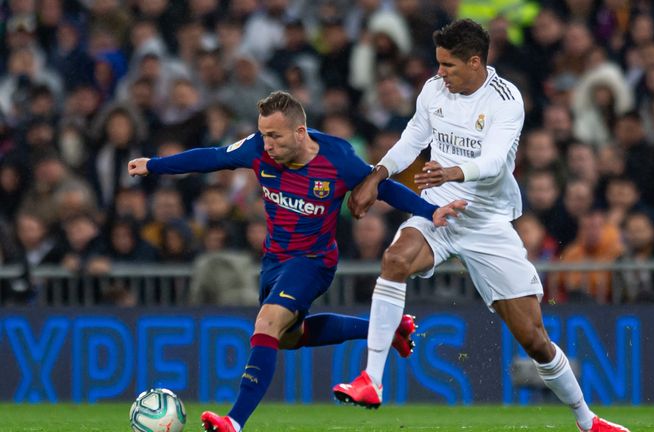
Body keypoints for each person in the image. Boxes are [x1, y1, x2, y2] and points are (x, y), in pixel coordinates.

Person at [332, 20, 629, 432]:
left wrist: (451, 172)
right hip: (437, 207)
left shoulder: (506, 100)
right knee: (395, 259)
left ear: (475, 62)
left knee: (533, 338)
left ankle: (587, 420)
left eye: (448, 65)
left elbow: (492, 163)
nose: (440, 73)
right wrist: (377, 174)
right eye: (438, 64)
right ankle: (372, 380)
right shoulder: (434, 90)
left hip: (486, 220)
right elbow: (413, 137)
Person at [127, 91, 466, 432]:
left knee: (267, 324)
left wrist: (431, 211)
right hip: (275, 260)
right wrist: (154, 165)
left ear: (300, 133)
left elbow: (385, 188)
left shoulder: (338, 158)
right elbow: (212, 158)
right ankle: (388, 328)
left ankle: (233, 420)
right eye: (263, 134)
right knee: (289, 337)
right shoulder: (258, 149)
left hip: (312, 261)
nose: (267, 143)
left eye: (274, 135)